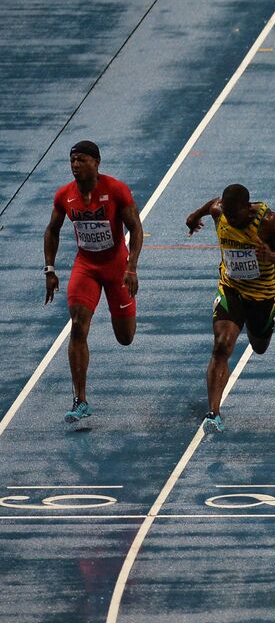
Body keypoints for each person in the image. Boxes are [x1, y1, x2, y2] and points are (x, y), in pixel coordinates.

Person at [185, 184, 275, 434]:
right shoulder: (220, 211)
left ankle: (255, 327)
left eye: (235, 216)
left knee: (259, 346)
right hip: (231, 290)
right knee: (222, 345)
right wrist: (194, 217)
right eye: (227, 214)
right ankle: (213, 413)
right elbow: (212, 204)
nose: (230, 220)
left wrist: (271, 256)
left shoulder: (270, 223)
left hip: (262, 296)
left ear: (247, 209)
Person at [43, 140, 144, 426]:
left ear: (97, 162)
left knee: (125, 337)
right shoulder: (64, 195)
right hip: (86, 266)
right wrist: (49, 269)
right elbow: (52, 230)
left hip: (116, 267)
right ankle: (80, 399)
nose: (76, 165)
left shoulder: (116, 190)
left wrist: (132, 268)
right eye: (73, 160)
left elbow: (135, 228)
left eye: (82, 160)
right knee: (77, 324)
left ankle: (125, 307)